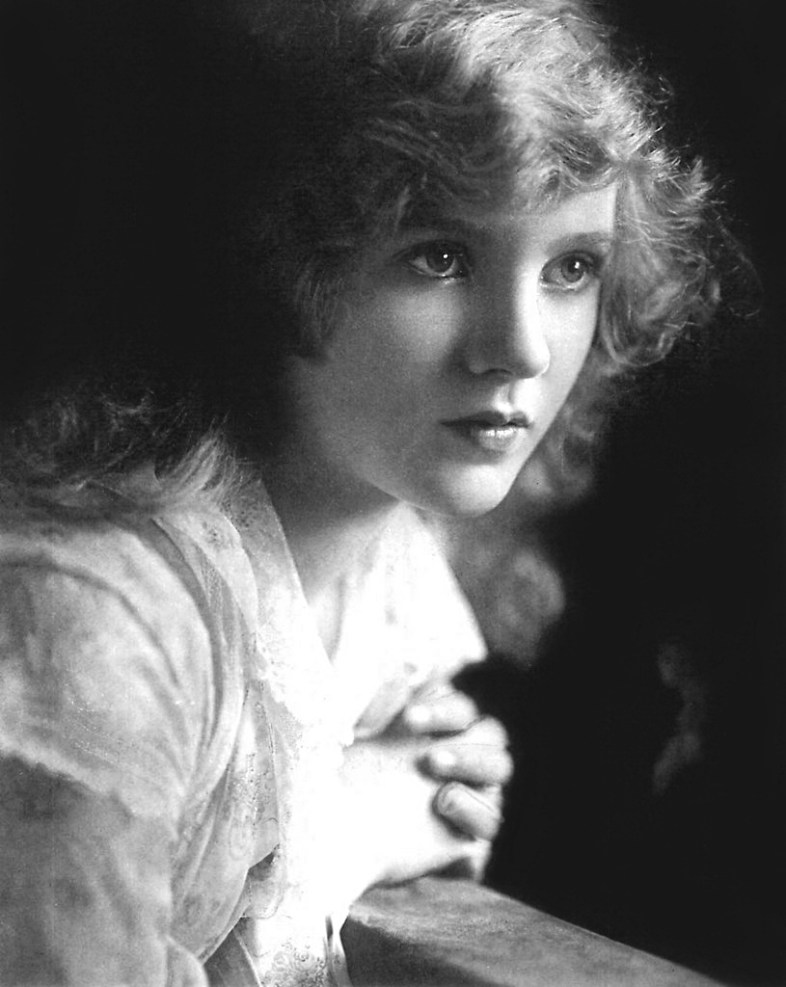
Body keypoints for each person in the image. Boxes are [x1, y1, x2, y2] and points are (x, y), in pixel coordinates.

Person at [0, 0, 725, 983]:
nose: (518, 346)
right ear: (284, 258)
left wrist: (351, 834)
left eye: (571, 267)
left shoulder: (390, 581)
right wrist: (342, 832)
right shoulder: (96, 616)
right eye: (439, 256)